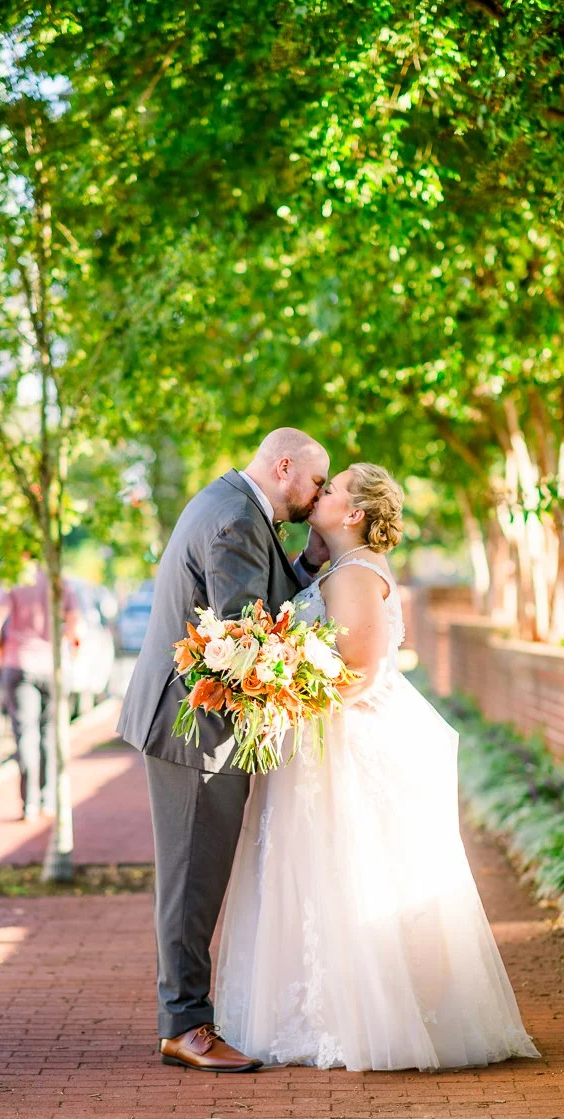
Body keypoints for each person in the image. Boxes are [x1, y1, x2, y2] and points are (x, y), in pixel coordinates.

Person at [215, 463, 540, 1071]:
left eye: (330, 488)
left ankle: (356, 1019)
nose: (320, 493)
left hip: (342, 743)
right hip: (321, 739)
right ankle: (318, 1010)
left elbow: (359, 672)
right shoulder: (340, 568)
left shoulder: (358, 574)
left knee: (343, 871)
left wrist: (288, 698)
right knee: (318, 875)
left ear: (355, 512)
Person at [118, 428, 330, 1073]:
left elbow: (254, 598)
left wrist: (311, 565)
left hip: (194, 722)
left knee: (197, 877)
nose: (317, 496)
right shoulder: (238, 517)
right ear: (285, 465)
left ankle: (188, 1016)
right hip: (194, 730)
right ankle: (185, 1026)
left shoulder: (231, 502)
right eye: (316, 483)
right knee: (191, 881)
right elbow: (247, 631)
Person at [0, 559, 81, 821]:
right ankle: (48, 799)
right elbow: (76, 630)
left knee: (25, 734)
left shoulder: (15, 580)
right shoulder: (60, 581)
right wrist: (71, 652)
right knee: (48, 733)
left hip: (20, 662)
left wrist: (1, 646)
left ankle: (30, 804)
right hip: (53, 667)